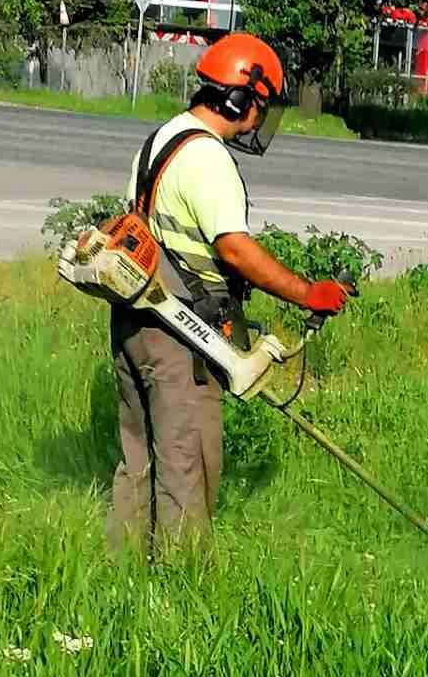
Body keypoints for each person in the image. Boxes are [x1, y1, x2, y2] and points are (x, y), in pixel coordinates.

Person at [107, 32, 352, 555]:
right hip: (180, 335)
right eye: (261, 105)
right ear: (242, 98)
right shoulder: (208, 158)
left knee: (139, 460)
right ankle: (181, 595)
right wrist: (308, 294)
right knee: (186, 463)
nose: (261, 119)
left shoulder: (162, 139)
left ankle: (122, 572)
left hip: (134, 321)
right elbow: (235, 249)